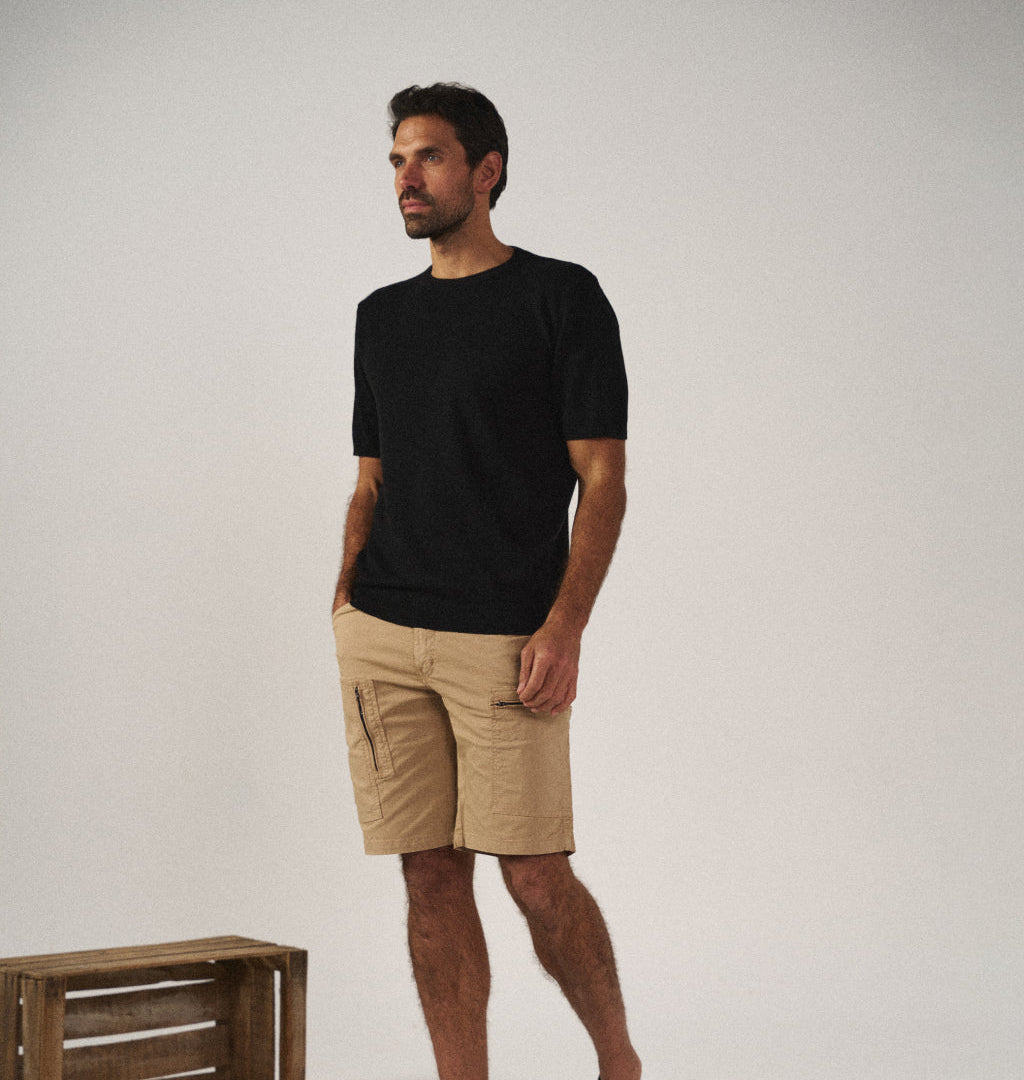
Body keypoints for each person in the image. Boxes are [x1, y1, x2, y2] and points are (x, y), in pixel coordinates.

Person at [332, 82, 641, 1080]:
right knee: (429, 876)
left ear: (487, 170)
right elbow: (372, 478)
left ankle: (620, 1065)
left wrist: (566, 625)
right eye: (396, 161)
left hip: (507, 637)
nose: (406, 178)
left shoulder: (562, 297)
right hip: (383, 633)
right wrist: (343, 599)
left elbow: (603, 480)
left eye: (427, 156)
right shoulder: (381, 317)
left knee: (537, 876)